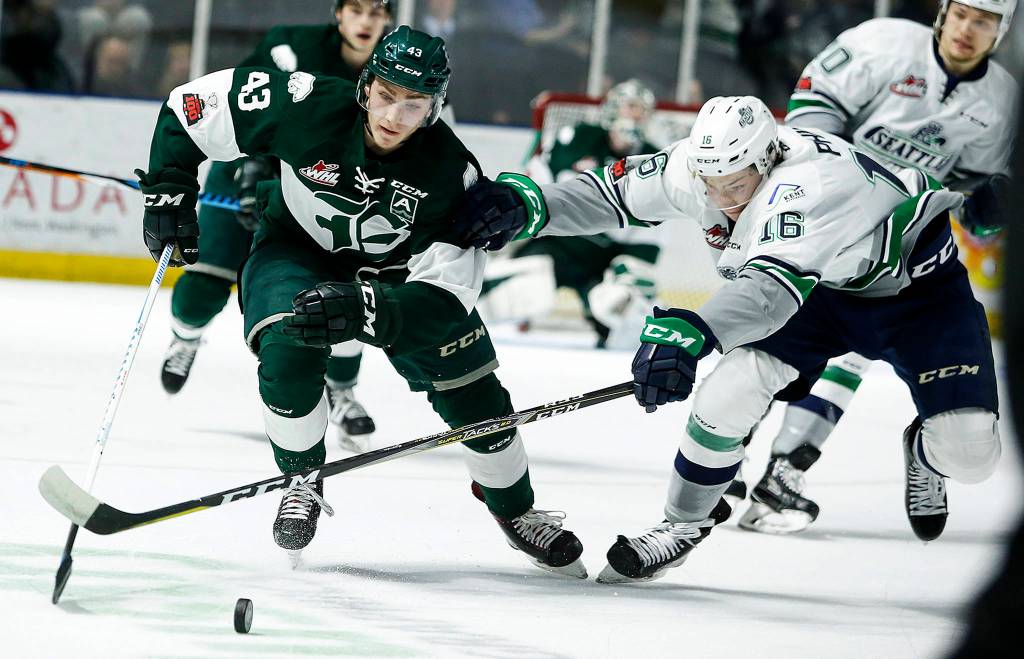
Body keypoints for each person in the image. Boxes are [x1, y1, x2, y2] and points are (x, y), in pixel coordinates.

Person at [452, 94, 998, 583]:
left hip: (920, 296)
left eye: (735, 186)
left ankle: (926, 452)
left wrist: (693, 331)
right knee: (728, 393)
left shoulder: (810, 184)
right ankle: (682, 526)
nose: (721, 200)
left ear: (768, 160)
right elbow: (610, 194)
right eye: (711, 184)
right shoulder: (706, 167)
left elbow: (767, 295)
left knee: (971, 454)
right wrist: (531, 206)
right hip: (823, 288)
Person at [135, 26, 587, 577]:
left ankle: (517, 513)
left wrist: (369, 307)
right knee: (288, 345)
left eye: (414, 103)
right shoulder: (304, 102)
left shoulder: (453, 176)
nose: (395, 116)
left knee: (478, 400)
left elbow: (448, 294)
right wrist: (167, 189)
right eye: (387, 95)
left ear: (435, 106)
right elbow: (191, 107)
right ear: (365, 86)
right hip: (294, 249)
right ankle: (300, 477)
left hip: (398, 283)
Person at [736, 0, 1017, 534]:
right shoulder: (883, 43)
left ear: (1000, 31)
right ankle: (730, 454)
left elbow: (974, 199)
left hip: (899, 246)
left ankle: (786, 470)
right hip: (819, 218)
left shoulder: (1000, 100)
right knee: (769, 341)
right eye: (962, 14)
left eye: (984, 20)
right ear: (943, 13)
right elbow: (810, 114)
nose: (968, 29)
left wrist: (985, 212)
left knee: (852, 358)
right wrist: (843, 189)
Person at [160, 0, 392, 454]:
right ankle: (184, 338)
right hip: (249, 172)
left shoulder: (396, 68)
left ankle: (340, 393)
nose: (366, 22)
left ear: (387, 19)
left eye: (376, 12)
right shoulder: (290, 45)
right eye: (357, 10)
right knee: (207, 281)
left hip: (325, 189)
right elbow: (237, 103)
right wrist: (250, 167)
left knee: (341, 291)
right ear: (338, 13)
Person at [480, 79, 664, 349]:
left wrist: (630, 276)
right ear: (613, 109)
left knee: (624, 325)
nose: (636, 115)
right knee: (510, 296)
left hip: (604, 260)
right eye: (631, 107)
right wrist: (508, 230)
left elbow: (654, 230)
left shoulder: (652, 162)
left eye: (642, 110)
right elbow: (533, 184)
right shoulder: (577, 139)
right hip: (555, 245)